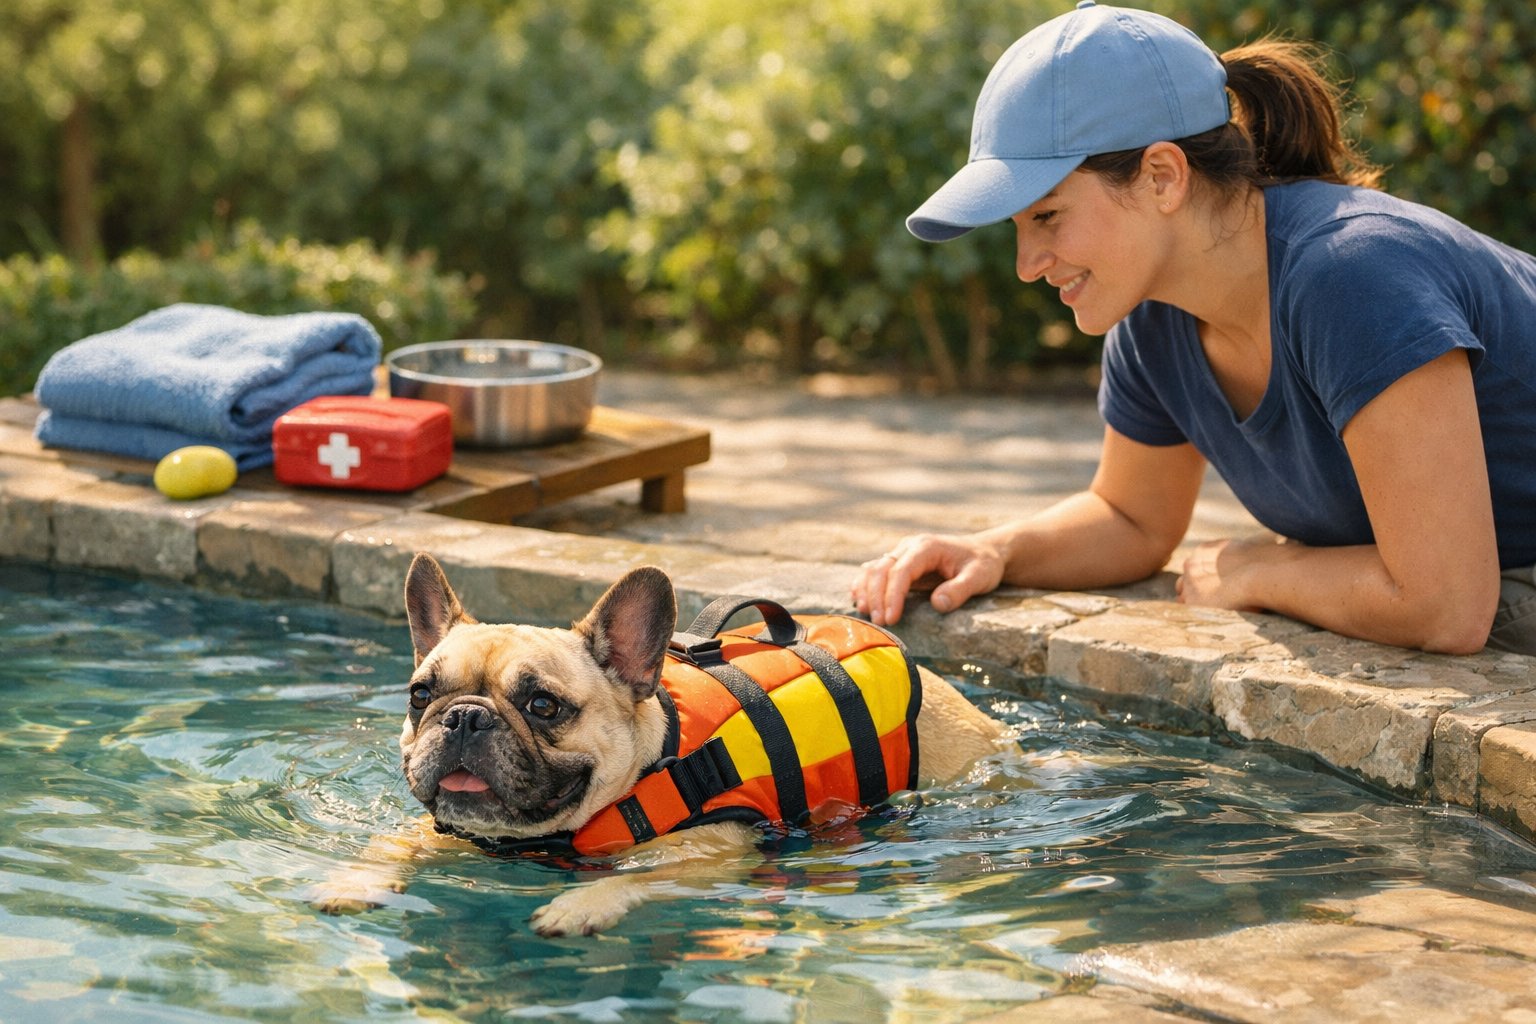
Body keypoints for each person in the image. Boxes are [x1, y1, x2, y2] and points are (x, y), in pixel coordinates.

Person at [851, 0, 1536, 655]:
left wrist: (1261, 573)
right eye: (1017, 228)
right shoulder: (1152, 319)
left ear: (1161, 176)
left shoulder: (1350, 273)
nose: (1027, 265)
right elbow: (1132, 519)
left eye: (1048, 216)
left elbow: (1445, 606)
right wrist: (995, 551)